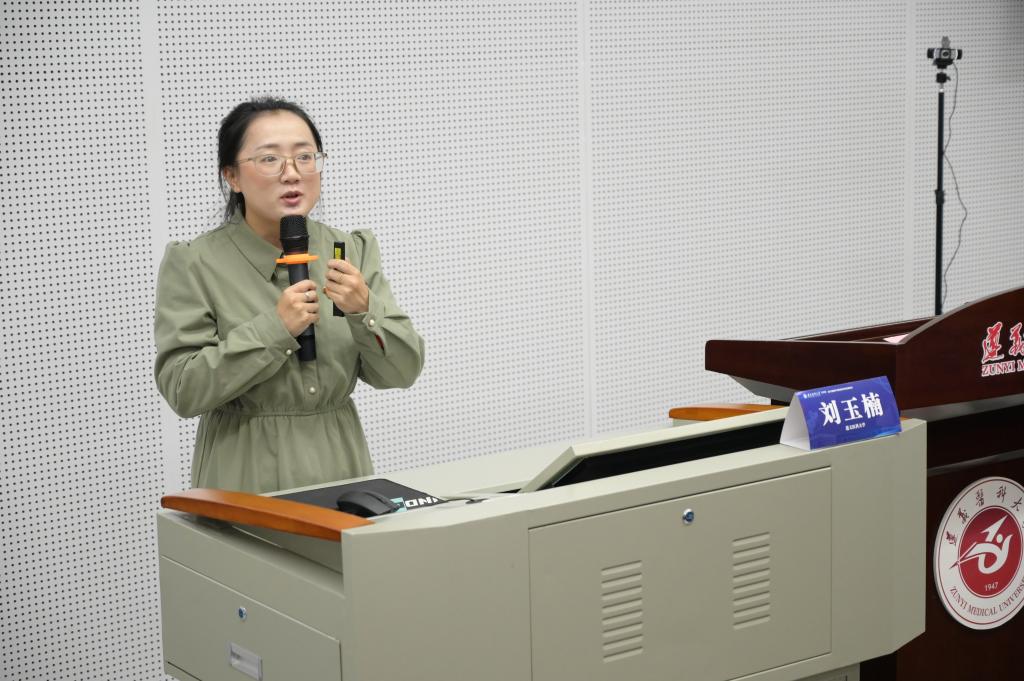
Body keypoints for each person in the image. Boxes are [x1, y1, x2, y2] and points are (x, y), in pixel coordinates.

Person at [154, 97, 424, 493]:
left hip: (342, 467)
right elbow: (183, 390)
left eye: (305, 157)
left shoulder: (348, 250)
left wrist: (364, 311)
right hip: (244, 474)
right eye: (269, 159)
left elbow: (402, 372)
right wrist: (275, 329)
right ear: (232, 176)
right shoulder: (196, 263)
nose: (292, 173)